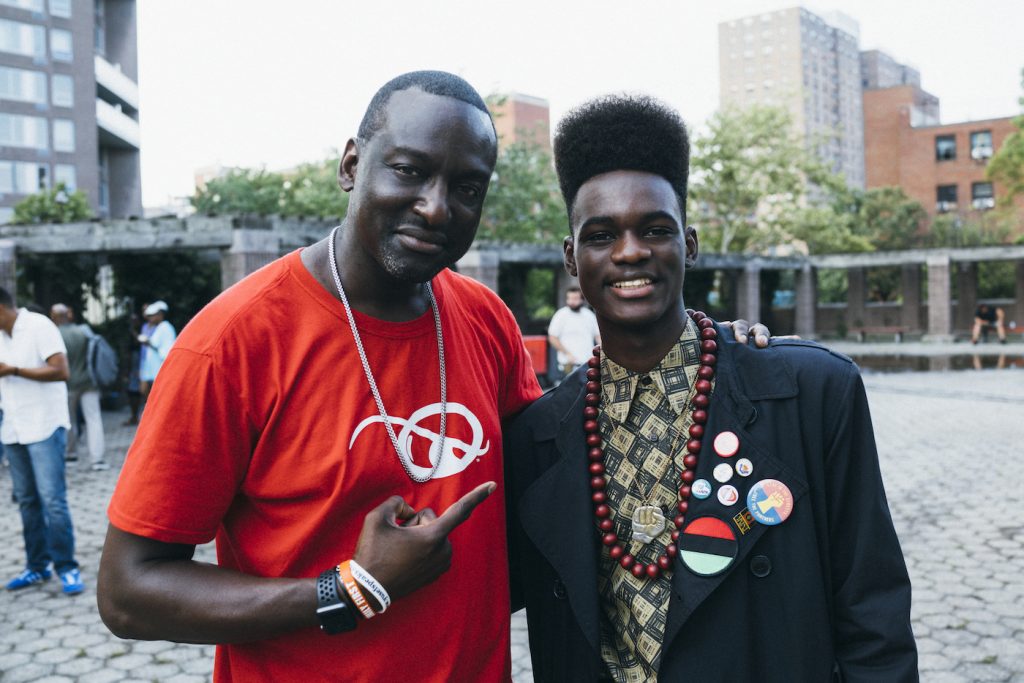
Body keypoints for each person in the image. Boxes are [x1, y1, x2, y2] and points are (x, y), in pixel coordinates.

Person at [96, 72, 767, 681]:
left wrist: (700, 350)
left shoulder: (484, 318)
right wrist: (350, 588)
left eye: (466, 187)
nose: (438, 207)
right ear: (352, 165)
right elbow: (128, 591)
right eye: (410, 171)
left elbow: (558, 475)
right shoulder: (232, 343)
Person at [505, 95, 918, 682]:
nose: (630, 252)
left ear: (689, 245)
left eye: (654, 229)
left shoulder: (813, 393)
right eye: (602, 235)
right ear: (572, 259)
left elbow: (873, 614)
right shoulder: (539, 435)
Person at [0, 287, 85, 595]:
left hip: (44, 425)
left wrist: (14, 370)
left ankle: (67, 567)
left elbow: (60, 370)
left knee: (53, 500)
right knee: (26, 501)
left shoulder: (38, 325)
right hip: (13, 427)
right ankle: (36, 567)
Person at [50, 304, 108, 471]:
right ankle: (97, 459)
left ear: (53, 317)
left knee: (69, 420)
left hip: (68, 384)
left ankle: (71, 454)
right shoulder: (84, 331)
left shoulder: (54, 334)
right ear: (69, 315)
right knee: (94, 419)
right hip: (89, 382)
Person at [548, 286, 600, 376]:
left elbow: (598, 336)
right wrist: (567, 353)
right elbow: (552, 337)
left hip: (588, 363)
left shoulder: (589, 315)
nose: (571, 301)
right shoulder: (561, 315)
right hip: (568, 364)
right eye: (569, 298)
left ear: (582, 300)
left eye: (575, 298)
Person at [137, 300, 176, 394]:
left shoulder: (166, 327)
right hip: (154, 368)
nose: (150, 318)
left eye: (152, 315)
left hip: (160, 368)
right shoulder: (159, 327)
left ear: (160, 314)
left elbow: (166, 350)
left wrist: (148, 342)